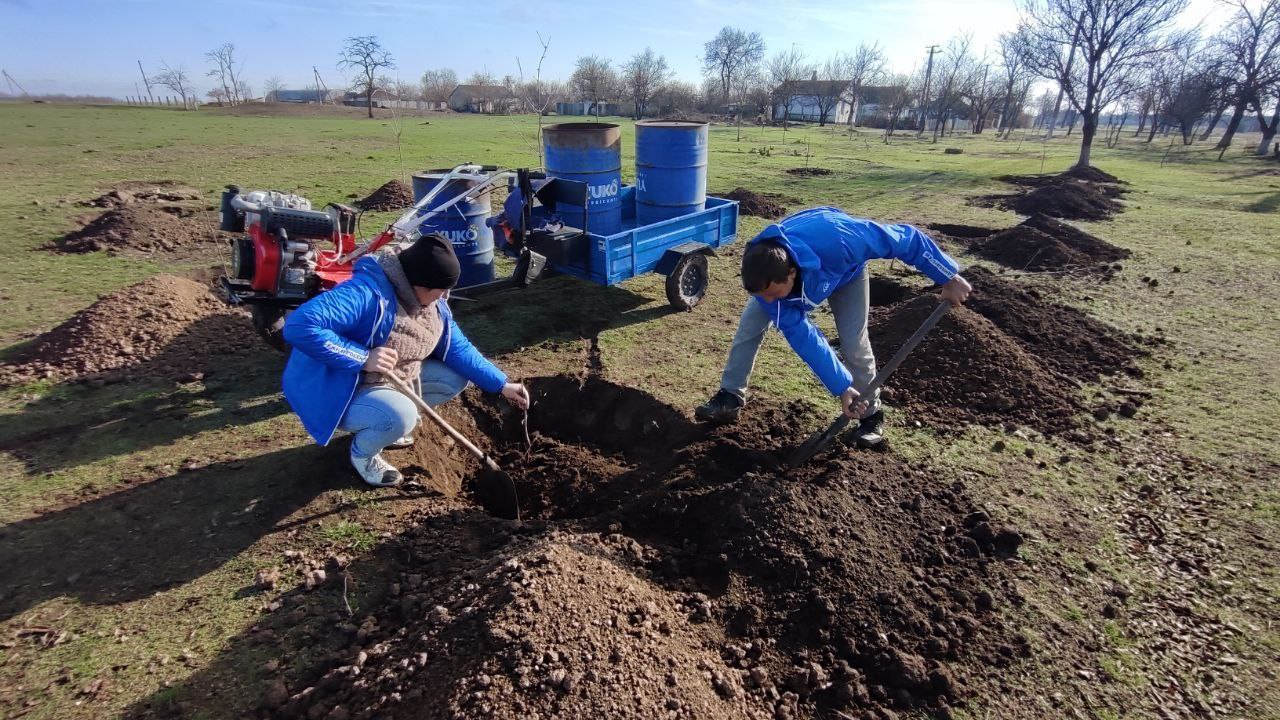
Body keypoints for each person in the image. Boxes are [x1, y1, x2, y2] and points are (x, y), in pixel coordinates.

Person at [694, 207, 972, 447]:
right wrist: (841, 387)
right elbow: (805, 338)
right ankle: (730, 397)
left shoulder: (844, 237)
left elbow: (906, 239)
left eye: (770, 293)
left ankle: (871, 415)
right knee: (749, 328)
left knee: (854, 342)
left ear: (791, 272)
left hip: (846, 273)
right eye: (760, 295)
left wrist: (947, 275)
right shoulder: (765, 280)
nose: (767, 301)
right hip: (800, 275)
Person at [282, 234, 529, 487]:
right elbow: (299, 326)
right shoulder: (365, 294)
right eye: (440, 290)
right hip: (335, 388)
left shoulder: (433, 304)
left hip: (383, 379)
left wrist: (502, 385)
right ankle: (364, 455)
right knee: (400, 417)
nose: (444, 296)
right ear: (420, 284)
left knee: (452, 378)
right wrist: (362, 357)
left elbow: (458, 348)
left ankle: (385, 423)